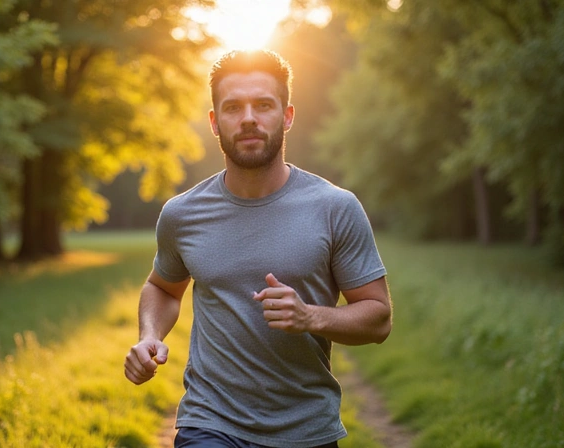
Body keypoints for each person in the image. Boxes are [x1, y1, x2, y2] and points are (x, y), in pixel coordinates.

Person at [124, 49, 392, 448]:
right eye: (233, 107)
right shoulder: (182, 214)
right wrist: (149, 334)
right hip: (210, 422)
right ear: (215, 123)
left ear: (287, 116)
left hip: (306, 430)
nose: (248, 118)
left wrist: (309, 316)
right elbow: (163, 288)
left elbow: (379, 319)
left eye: (263, 105)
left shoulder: (335, 207)